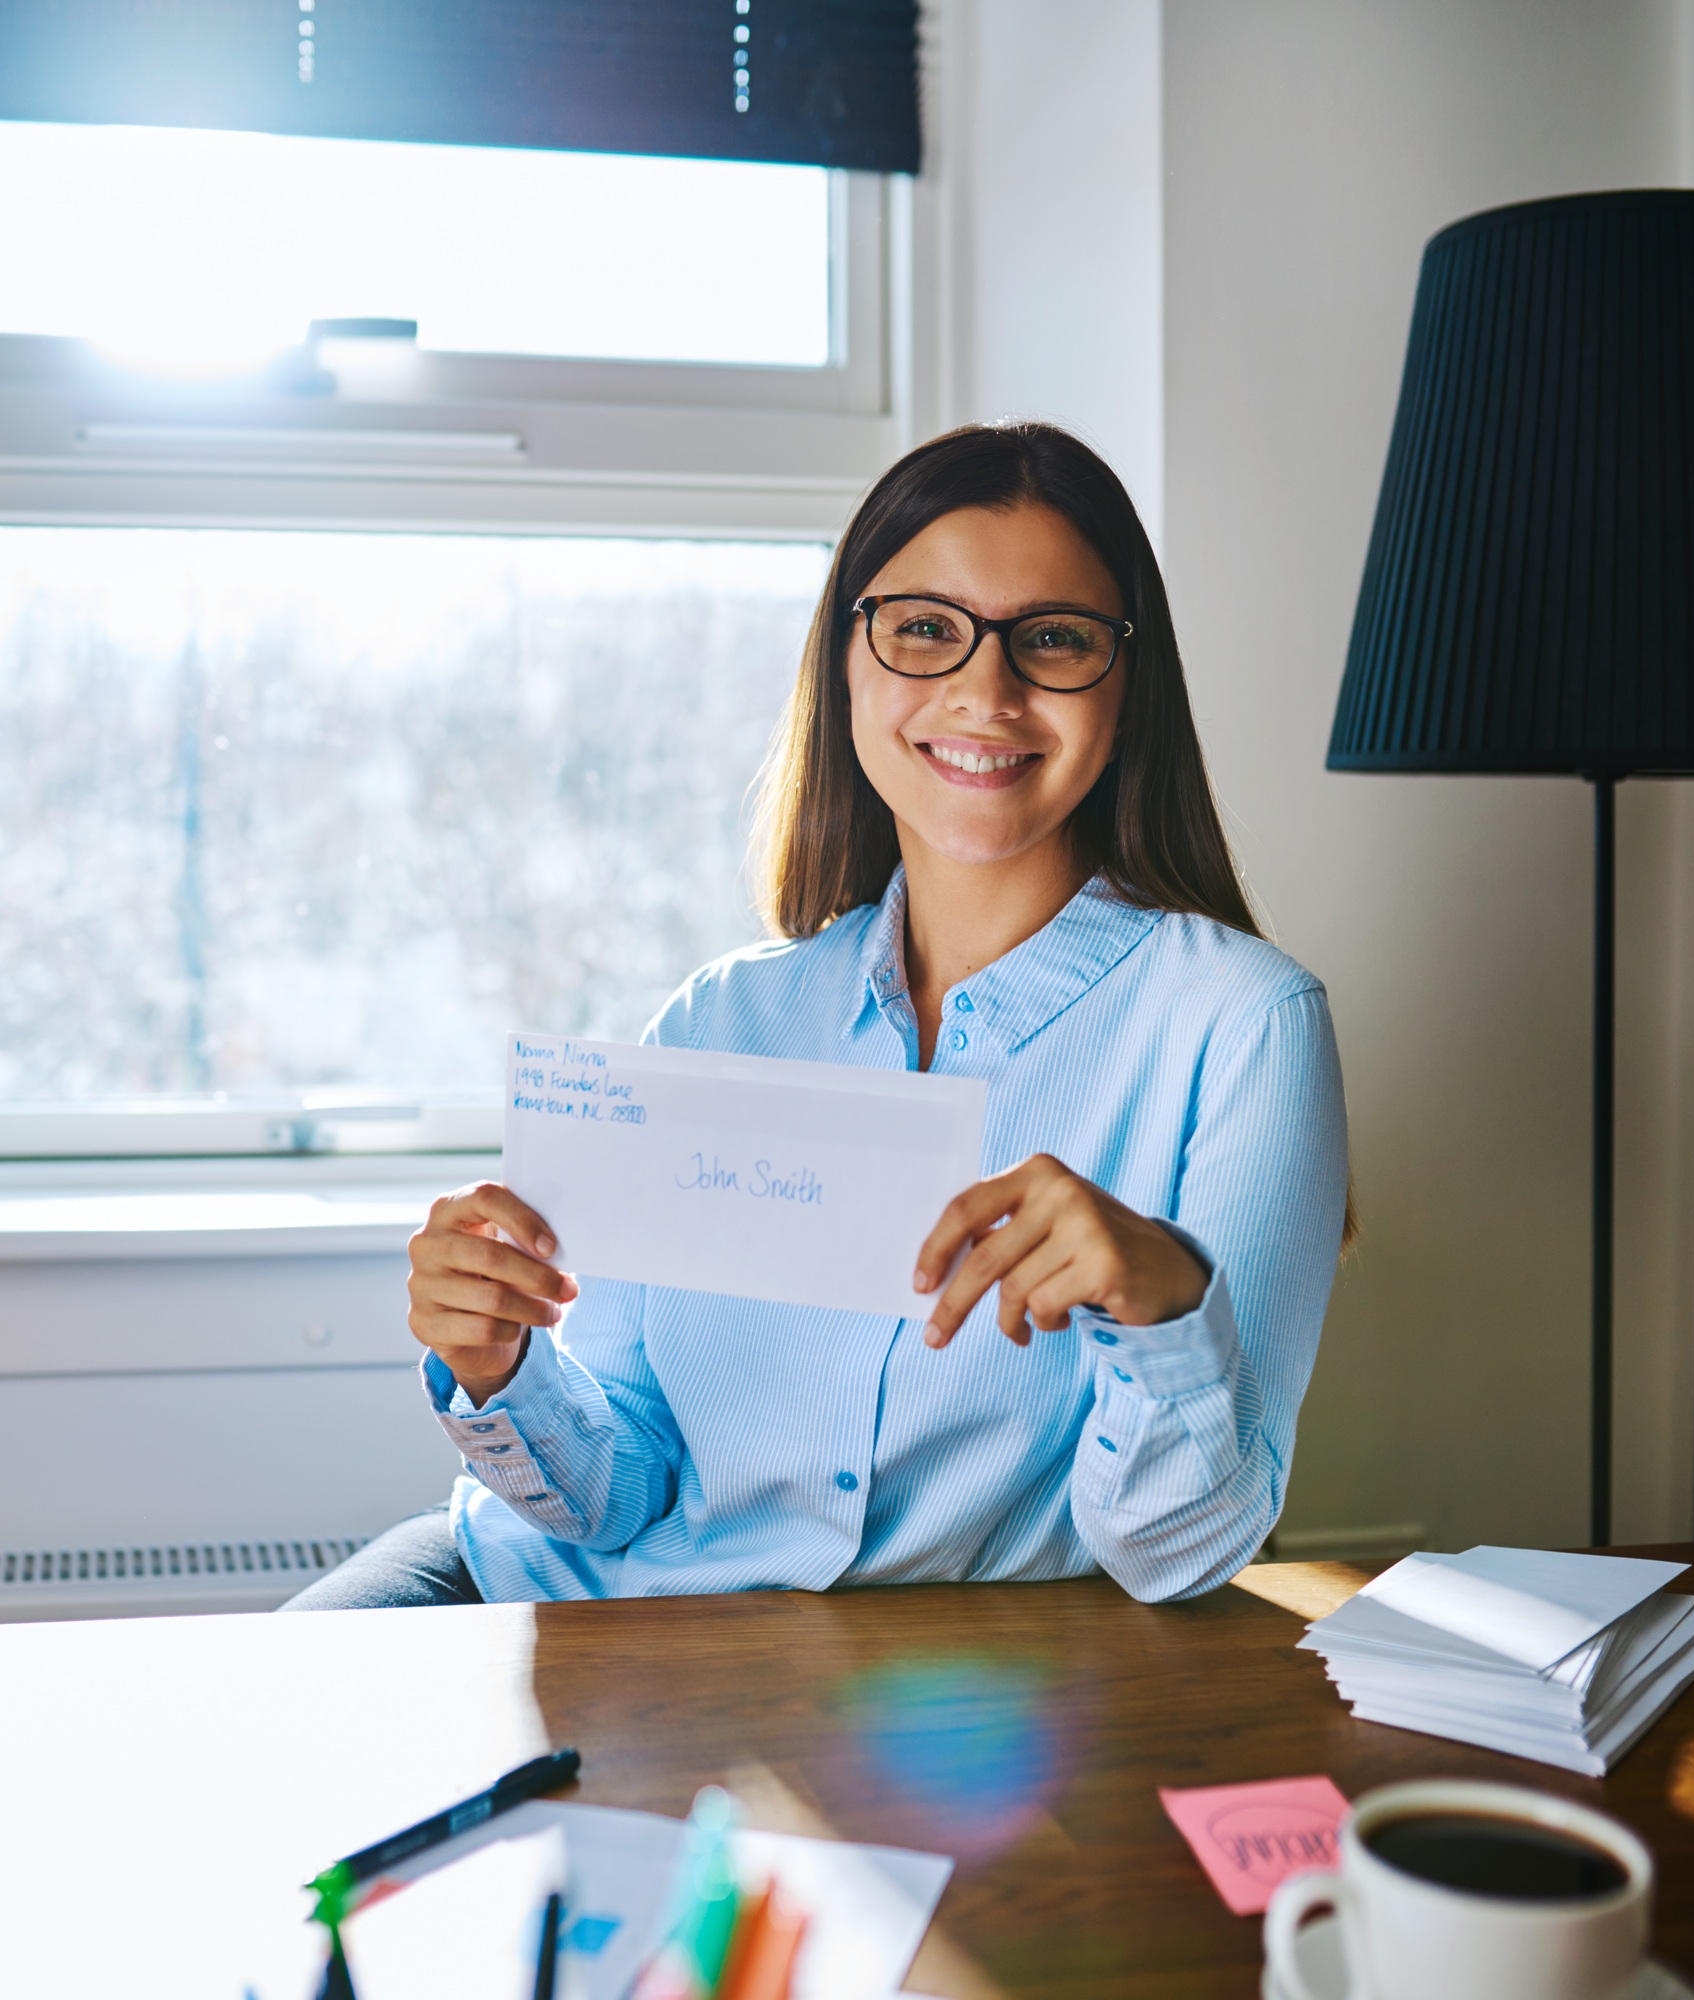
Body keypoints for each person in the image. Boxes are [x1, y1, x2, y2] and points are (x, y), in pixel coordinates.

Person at [282, 421, 1351, 1613]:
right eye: (924, 629)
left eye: (1052, 639)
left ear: (1125, 682)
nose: (983, 691)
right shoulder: (718, 1017)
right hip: (532, 1593)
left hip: (912, 1694)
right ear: (847, 659)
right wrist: (500, 1366)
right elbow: (614, 1491)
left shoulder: (1244, 1028)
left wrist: (1160, 1302)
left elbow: (1175, 1552)